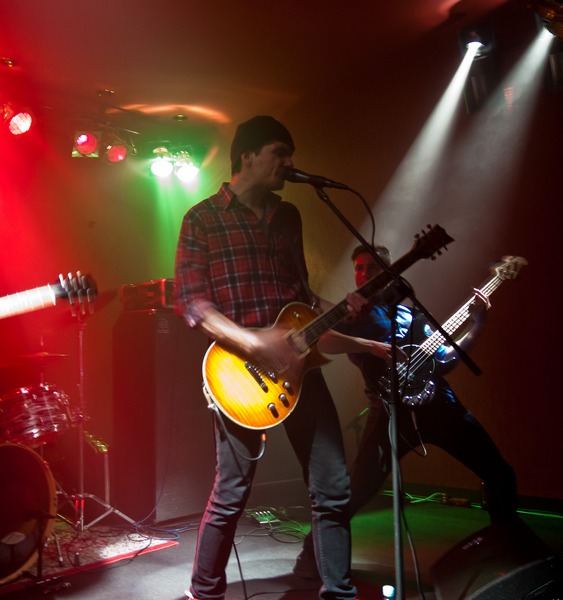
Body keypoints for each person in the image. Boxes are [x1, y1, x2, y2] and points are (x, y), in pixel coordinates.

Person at [174, 115, 395, 600]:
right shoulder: (202, 218)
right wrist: (253, 343)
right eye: (280, 152)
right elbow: (192, 303)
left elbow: (301, 297)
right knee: (232, 492)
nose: (289, 162)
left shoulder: (288, 216)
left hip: (299, 370)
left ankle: (338, 592)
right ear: (248, 155)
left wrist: (341, 309)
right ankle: (204, 593)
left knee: (333, 488)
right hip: (239, 372)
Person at [293, 244, 518, 579]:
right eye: (358, 268)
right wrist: (370, 346)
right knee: (354, 491)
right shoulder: (354, 315)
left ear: (389, 272)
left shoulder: (413, 313)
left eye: (371, 268)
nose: (363, 275)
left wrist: (477, 325)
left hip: (441, 406)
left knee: (500, 473)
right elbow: (322, 339)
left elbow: (446, 359)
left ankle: (510, 553)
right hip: (390, 414)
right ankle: (312, 558)